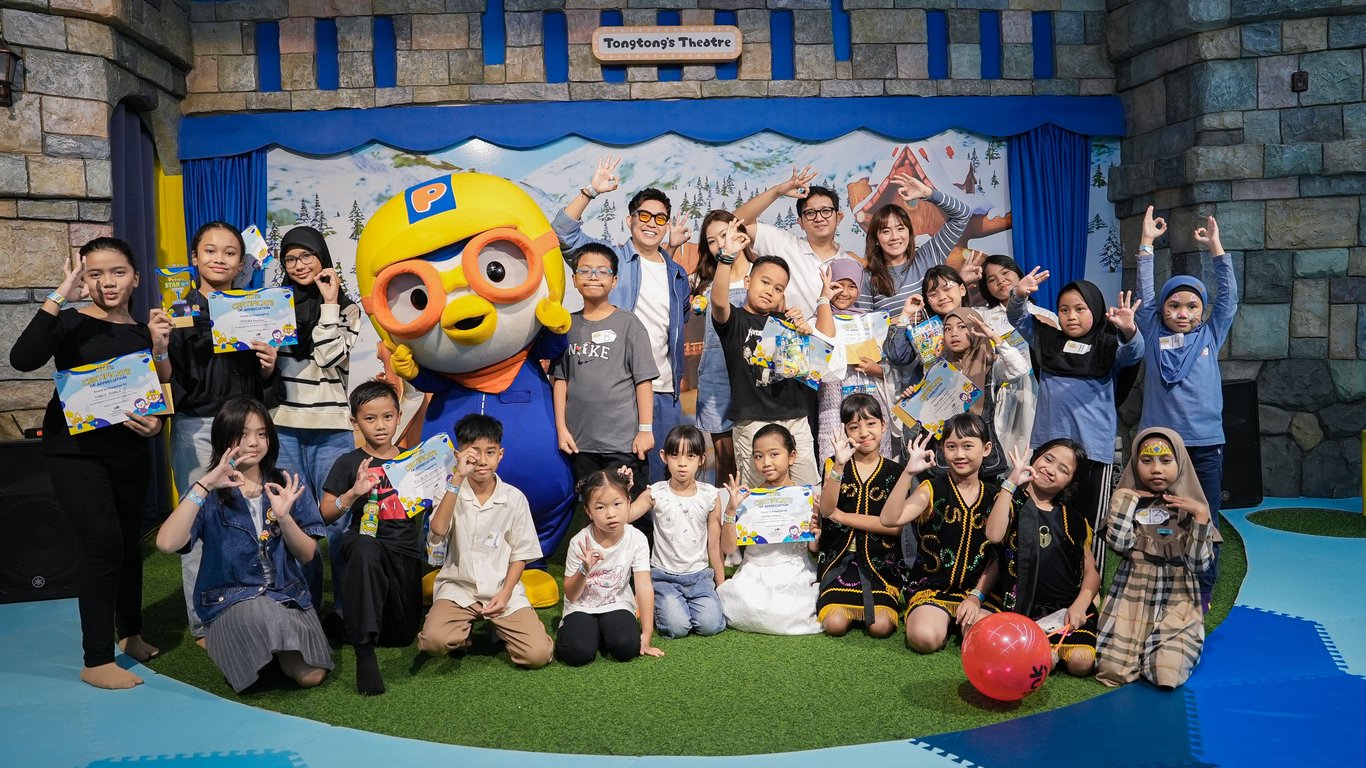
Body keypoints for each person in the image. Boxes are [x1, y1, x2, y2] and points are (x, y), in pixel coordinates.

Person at [10, 238, 172, 689]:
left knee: (128, 546)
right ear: (84, 279)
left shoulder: (142, 332)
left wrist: (156, 424)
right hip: (75, 454)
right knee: (102, 547)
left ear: (135, 277)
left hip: (130, 453)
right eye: (94, 274)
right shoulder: (69, 322)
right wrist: (61, 293)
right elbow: (22, 359)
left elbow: (158, 392)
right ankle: (96, 659)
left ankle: (130, 633)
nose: (107, 282)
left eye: (117, 272)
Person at [155, 398, 333, 693]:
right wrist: (205, 485)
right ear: (224, 438)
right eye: (242, 434)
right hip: (232, 599)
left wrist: (285, 517)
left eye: (262, 434)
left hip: (286, 594)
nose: (253, 443)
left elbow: (307, 554)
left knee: (311, 676)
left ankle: (271, 646)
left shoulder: (285, 483)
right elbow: (166, 543)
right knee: (255, 655)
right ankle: (255, 645)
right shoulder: (209, 491)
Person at [168, 221, 280, 643]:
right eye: (210, 250)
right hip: (198, 427)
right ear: (194, 257)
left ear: (241, 261)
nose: (219, 259)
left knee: (252, 520)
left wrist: (269, 366)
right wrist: (160, 346)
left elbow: (267, 388)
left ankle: (252, 605)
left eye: (230, 252)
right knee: (198, 522)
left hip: (247, 426)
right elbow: (170, 381)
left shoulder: (255, 309)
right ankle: (204, 623)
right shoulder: (178, 312)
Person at [553, 157, 690, 483]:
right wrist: (590, 191)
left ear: (666, 225)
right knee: (616, 487)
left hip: (664, 391)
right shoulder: (611, 259)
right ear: (630, 220)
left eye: (660, 218)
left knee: (663, 485)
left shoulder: (677, 274)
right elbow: (562, 233)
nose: (652, 223)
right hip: (620, 394)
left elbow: (678, 324)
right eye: (644, 215)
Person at [1136, 209, 1237, 613]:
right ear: (1162, 310)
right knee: (1157, 515)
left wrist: (1216, 248)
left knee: (1204, 516)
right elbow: (1145, 293)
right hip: (1160, 447)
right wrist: (1146, 244)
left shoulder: (1211, 332)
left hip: (1205, 444)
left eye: (1192, 306)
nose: (1183, 313)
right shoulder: (1151, 331)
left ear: (1202, 310)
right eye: (1174, 305)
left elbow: (1228, 298)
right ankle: (1158, 579)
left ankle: (1203, 587)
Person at [1008, 270, 1144, 558]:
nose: (1071, 316)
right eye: (1064, 309)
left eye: (1080, 309)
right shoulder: (1046, 340)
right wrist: (1019, 294)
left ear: (1095, 309)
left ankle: (1089, 582)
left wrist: (1129, 331)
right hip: (1048, 449)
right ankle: (1044, 575)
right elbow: (1017, 318)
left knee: (1089, 524)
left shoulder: (1109, 345)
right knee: (1042, 517)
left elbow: (1134, 353)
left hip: (1092, 451)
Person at [273, 225, 364, 621]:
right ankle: (306, 607)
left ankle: (345, 609)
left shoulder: (347, 308)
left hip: (330, 427)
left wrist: (328, 303)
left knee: (340, 519)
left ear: (321, 257)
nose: (298, 265)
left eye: (306, 256)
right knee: (295, 520)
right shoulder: (273, 307)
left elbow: (328, 356)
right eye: (290, 259)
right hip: (284, 425)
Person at [417, 414, 555, 670]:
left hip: (501, 590)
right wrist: (456, 479)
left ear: (500, 455)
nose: (481, 461)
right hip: (459, 588)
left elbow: (521, 553)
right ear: (458, 455)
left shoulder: (514, 498)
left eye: (490, 452)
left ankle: (500, 630)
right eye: (473, 453)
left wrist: (505, 594)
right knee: (434, 642)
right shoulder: (449, 491)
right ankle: (462, 632)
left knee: (537, 655)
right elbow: (438, 530)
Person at [1096, 428, 1220, 690]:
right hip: (1133, 599)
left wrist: (1201, 517)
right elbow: (1119, 544)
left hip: (1178, 602)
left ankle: (1160, 652)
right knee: (1112, 671)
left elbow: (1199, 564)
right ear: (1135, 464)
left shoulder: (1191, 508)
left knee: (1167, 673)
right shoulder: (1128, 501)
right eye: (1146, 461)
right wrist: (1123, 501)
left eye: (1165, 461)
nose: (1156, 469)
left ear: (1180, 463)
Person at [320, 380, 422, 695]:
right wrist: (353, 493)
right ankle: (364, 652)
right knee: (365, 548)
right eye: (370, 418)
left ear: (399, 417)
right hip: (364, 544)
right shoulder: (348, 462)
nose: (380, 425)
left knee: (401, 636)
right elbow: (325, 513)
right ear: (355, 422)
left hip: (405, 552)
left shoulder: (413, 459)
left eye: (387, 417)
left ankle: (340, 625)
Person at [709, 218, 819, 488]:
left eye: (778, 288)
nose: (770, 291)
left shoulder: (788, 324)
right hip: (752, 422)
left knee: (807, 494)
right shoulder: (734, 320)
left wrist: (806, 335)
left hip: (795, 419)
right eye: (765, 282)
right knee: (757, 499)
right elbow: (718, 301)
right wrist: (726, 257)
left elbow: (814, 369)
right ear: (748, 281)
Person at [880, 414, 1001, 653]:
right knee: (924, 639)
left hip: (980, 594)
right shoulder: (931, 488)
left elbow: (999, 556)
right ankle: (941, 623)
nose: (959, 454)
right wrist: (908, 473)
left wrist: (976, 596)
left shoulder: (997, 496)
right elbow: (889, 519)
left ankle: (963, 624)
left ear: (986, 449)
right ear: (942, 449)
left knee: (986, 642)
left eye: (968, 446)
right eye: (951, 446)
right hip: (932, 590)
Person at [550, 242, 658, 501]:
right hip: (581, 444)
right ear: (574, 279)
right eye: (585, 271)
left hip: (623, 445)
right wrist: (561, 429)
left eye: (602, 271)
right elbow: (560, 380)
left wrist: (645, 430)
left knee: (628, 508)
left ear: (614, 281)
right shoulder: (567, 325)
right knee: (594, 507)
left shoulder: (629, 324)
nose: (593, 277)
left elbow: (643, 381)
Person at [986, 440, 1100, 677]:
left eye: (1063, 469)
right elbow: (995, 535)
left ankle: (1044, 649)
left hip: (1061, 610)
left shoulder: (1074, 520)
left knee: (1081, 663)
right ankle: (1041, 651)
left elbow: (1091, 573)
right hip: (1014, 606)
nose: (1051, 469)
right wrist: (1011, 483)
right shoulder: (1009, 500)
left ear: (1071, 482)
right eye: (1048, 459)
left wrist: (1079, 606)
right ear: (1036, 457)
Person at [716, 424, 822, 635]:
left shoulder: (805, 497)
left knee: (792, 610)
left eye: (774, 454)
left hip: (793, 571)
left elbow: (813, 549)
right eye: (758, 456)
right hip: (754, 571)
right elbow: (728, 549)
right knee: (745, 605)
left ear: (792, 456)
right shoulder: (747, 498)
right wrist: (731, 510)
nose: (766, 462)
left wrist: (817, 535)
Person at [815, 394, 907, 638]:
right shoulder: (833, 464)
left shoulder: (896, 471)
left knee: (881, 627)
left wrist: (842, 516)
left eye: (871, 424)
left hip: (881, 562)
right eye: (854, 427)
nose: (864, 433)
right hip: (839, 559)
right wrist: (839, 466)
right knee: (835, 625)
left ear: (884, 425)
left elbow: (895, 527)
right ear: (845, 431)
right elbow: (827, 509)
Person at [624, 425, 727, 638]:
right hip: (664, 578)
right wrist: (624, 490)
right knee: (677, 627)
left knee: (710, 625)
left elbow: (714, 545)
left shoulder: (710, 495)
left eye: (690, 456)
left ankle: (679, 605)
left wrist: (721, 586)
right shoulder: (656, 492)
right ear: (664, 456)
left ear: (701, 459)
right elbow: (627, 515)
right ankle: (655, 601)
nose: (682, 463)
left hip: (700, 577)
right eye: (675, 455)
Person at [556, 470, 663, 665]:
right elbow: (571, 595)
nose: (611, 514)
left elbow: (643, 587)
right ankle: (582, 630)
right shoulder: (579, 541)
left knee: (627, 648)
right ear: (588, 511)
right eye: (600, 507)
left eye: (617, 504)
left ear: (628, 502)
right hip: (581, 606)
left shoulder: (637, 538)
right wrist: (584, 569)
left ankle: (603, 631)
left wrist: (647, 633)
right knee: (576, 653)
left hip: (617, 603)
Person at [734, 167, 860, 318]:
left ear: (838, 217)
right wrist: (777, 191)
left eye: (826, 211)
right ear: (800, 222)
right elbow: (735, 222)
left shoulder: (852, 265)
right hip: (786, 333)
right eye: (810, 213)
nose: (819, 218)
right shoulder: (784, 244)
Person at [808, 258, 896, 463]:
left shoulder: (869, 321)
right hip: (833, 398)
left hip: (871, 395)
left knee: (874, 449)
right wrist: (824, 299)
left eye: (852, 286)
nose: (844, 292)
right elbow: (823, 343)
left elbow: (887, 365)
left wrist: (875, 369)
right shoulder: (816, 320)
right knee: (835, 450)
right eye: (838, 285)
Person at [691, 210, 754, 486]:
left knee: (760, 459)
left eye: (724, 235)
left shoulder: (760, 272)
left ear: (740, 234)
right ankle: (723, 513)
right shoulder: (702, 282)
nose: (720, 245)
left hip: (755, 380)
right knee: (726, 464)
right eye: (711, 241)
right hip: (717, 380)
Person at [856, 173, 974, 317]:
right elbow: (865, 326)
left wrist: (928, 194)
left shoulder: (928, 255)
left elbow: (962, 214)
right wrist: (900, 320)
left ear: (910, 233)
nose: (895, 237)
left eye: (900, 228)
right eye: (886, 231)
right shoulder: (868, 278)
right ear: (876, 238)